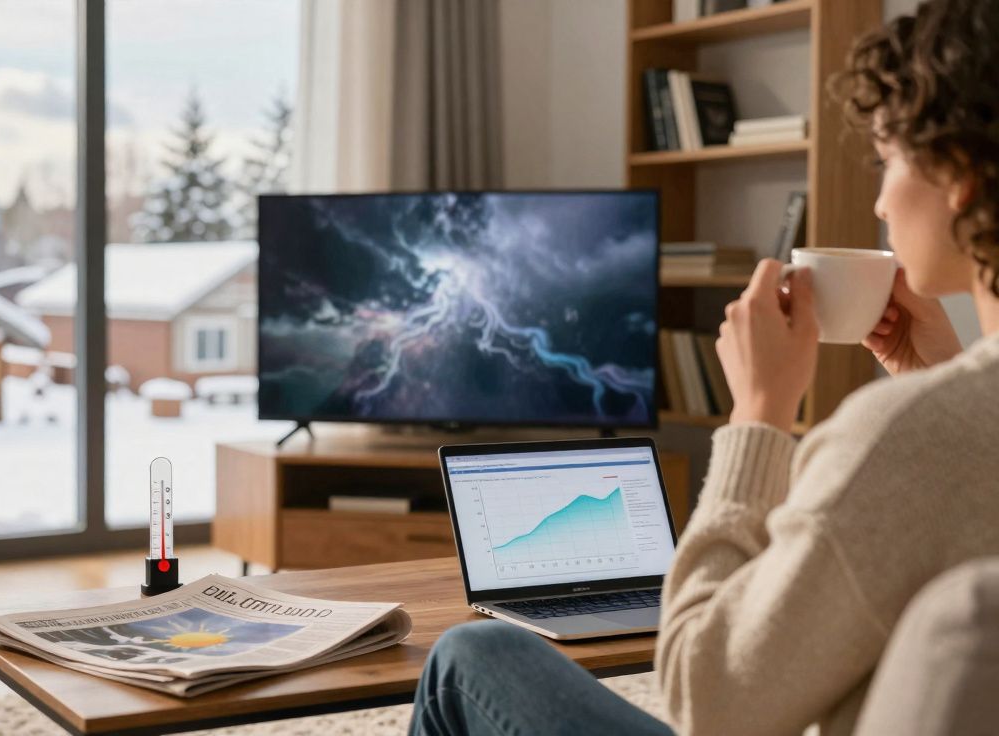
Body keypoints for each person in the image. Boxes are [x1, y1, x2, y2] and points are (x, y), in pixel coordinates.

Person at [408, 0, 999, 734]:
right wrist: (940, 375)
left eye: (888, 161)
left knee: (470, 655)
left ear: (960, 172)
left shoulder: (894, 440)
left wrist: (758, 415)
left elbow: (704, 702)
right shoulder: (942, 424)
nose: (879, 202)